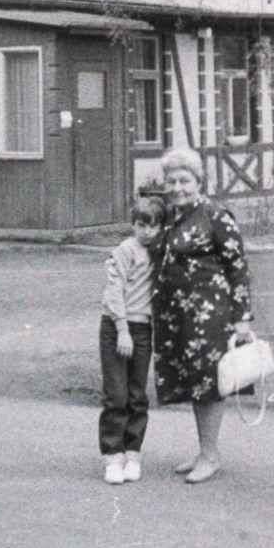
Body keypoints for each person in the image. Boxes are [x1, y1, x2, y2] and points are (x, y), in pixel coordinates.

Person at [150, 147, 254, 484]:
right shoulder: (169, 215)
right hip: (176, 315)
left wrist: (242, 318)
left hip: (209, 314)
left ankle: (211, 456)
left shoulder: (215, 214)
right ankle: (203, 451)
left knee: (209, 382)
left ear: (199, 181)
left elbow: (238, 268)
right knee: (194, 382)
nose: (177, 187)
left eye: (184, 180)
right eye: (171, 181)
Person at [98, 195, 164, 485]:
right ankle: (113, 457)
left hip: (144, 329)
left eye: (153, 226)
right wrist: (122, 329)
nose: (146, 232)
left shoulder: (161, 251)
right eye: (141, 225)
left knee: (138, 395)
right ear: (133, 224)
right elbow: (114, 290)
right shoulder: (126, 250)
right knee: (117, 395)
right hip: (118, 327)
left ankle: (133, 454)